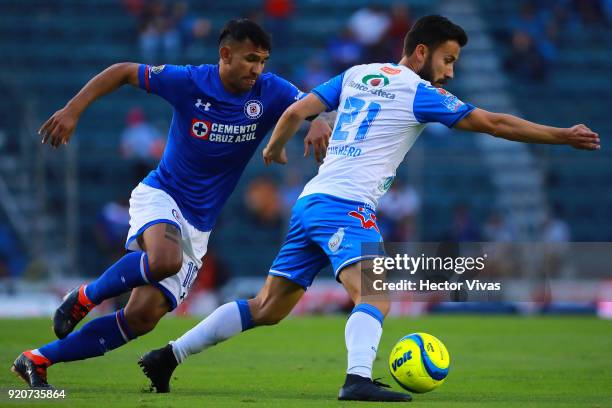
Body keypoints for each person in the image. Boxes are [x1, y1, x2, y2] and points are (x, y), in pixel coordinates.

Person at [139, 15, 599, 402]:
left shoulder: (358, 74)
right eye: (447, 60)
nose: (450, 73)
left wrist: (275, 149)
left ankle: (167, 356)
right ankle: (358, 380)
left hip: (311, 202)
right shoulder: (421, 93)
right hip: (346, 205)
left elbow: (296, 112)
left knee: (267, 307)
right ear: (420, 53)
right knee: (376, 295)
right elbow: (494, 123)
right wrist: (561, 135)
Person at [11, 19, 331, 389]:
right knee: (165, 260)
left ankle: (37, 359)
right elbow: (123, 71)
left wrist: (319, 119)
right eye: (249, 59)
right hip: (162, 195)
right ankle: (85, 295)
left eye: (263, 60)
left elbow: (312, 102)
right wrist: (73, 109)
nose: (257, 69)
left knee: (142, 317)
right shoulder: (190, 81)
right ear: (225, 55)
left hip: (200, 225)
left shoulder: (270, 90)